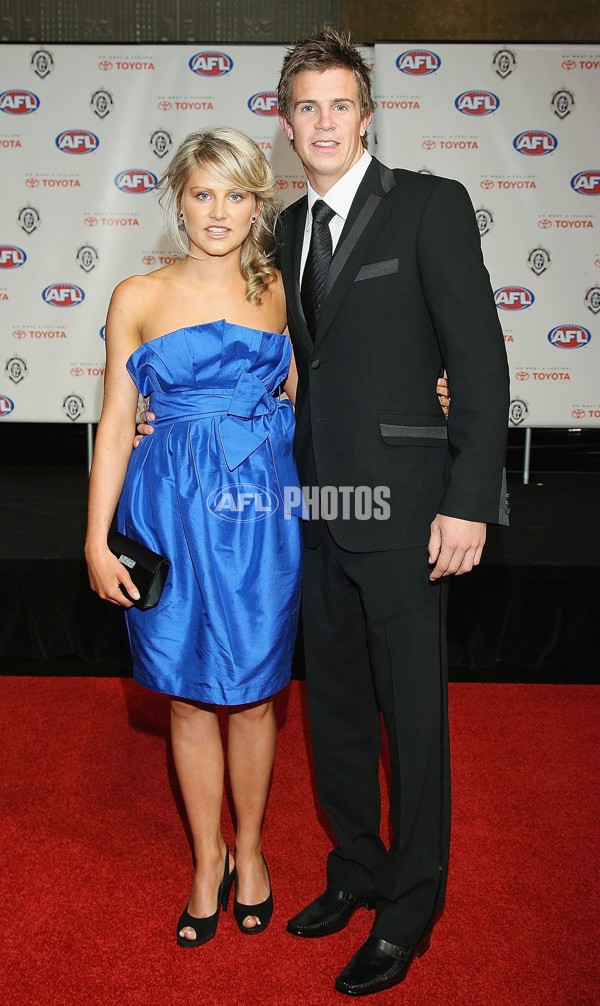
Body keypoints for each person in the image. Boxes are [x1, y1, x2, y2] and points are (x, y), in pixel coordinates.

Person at [273, 26, 510, 997]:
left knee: (412, 719)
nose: (325, 122)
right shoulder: (284, 230)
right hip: (316, 507)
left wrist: (468, 502)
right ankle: (355, 869)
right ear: (288, 125)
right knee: (332, 713)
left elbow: (481, 364)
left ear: (366, 115)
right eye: (307, 106)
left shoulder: (428, 205)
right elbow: (299, 364)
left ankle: (409, 907)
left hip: (412, 511)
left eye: (340, 104)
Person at [85, 127, 302, 947]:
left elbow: (307, 398)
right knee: (183, 694)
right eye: (203, 193)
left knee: (252, 696)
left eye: (237, 194)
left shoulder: (283, 290)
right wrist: (97, 539)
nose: (219, 211)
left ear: (259, 202)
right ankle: (204, 859)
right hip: (167, 515)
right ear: (177, 198)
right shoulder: (136, 296)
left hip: (257, 519)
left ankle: (249, 851)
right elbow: (113, 424)